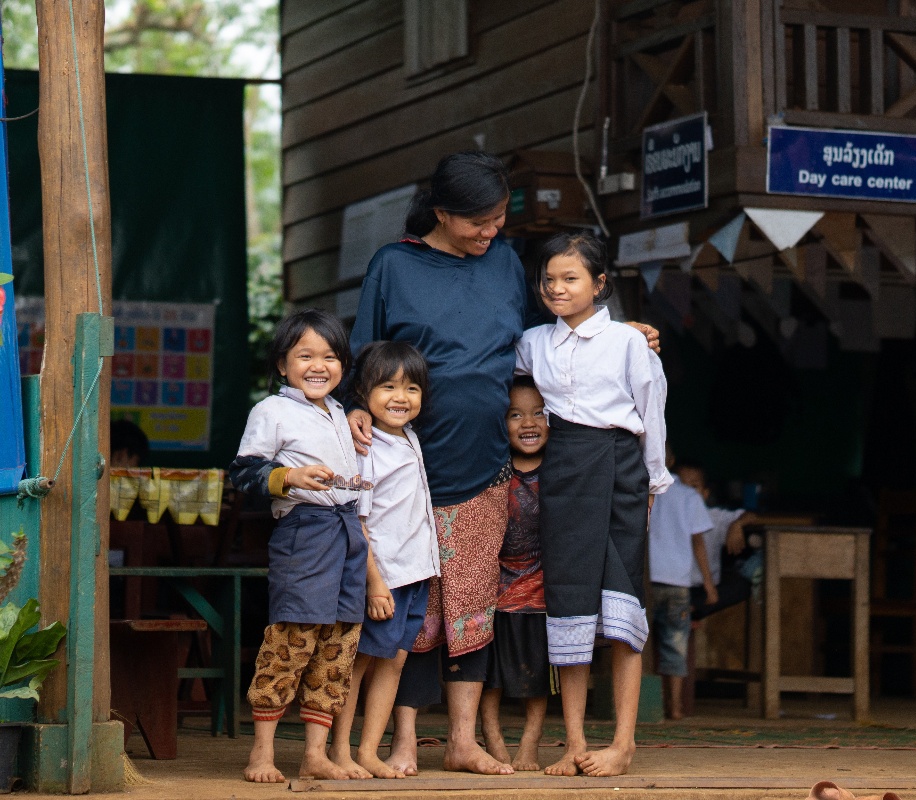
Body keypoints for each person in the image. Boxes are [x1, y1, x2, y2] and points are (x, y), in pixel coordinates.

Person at [345, 150, 658, 776]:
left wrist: (630, 334)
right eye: (478, 222)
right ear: (442, 212)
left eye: (497, 220)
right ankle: (402, 740)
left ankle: (461, 740)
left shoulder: (506, 265)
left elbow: (551, 340)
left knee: (470, 604)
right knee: (414, 606)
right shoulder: (394, 265)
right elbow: (366, 355)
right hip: (407, 465)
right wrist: (355, 407)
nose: (491, 232)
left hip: (486, 464)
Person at [515, 231, 670, 778]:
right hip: (565, 469)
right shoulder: (533, 344)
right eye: (549, 279)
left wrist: (652, 485)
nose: (557, 288)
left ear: (600, 284)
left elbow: (652, 415)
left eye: (570, 278)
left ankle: (623, 743)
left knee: (624, 602)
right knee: (569, 598)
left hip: (621, 467)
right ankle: (576, 741)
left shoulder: (629, 343)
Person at [228, 308, 368, 783]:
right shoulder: (271, 411)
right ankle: (262, 753)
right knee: (291, 638)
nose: (318, 365)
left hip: (347, 531)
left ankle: (314, 754)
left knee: (339, 642)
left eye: (330, 356)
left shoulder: (338, 411)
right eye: (305, 355)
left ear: (343, 366)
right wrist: (290, 477)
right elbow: (243, 472)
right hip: (304, 531)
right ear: (283, 365)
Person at [328, 341, 440, 779]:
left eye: (411, 388)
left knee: (392, 662)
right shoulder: (366, 445)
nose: (401, 397)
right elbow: (359, 520)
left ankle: (369, 750)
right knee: (358, 664)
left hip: (415, 573)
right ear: (362, 391)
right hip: (385, 575)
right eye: (388, 386)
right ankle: (340, 750)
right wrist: (374, 583)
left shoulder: (409, 436)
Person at [480, 376, 555, 771]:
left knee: (536, 670)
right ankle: (490, 733)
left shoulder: (560, 469)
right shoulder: (493, 468)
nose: (529, 423)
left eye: (539, 412)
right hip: (494, 588)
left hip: (541, 591)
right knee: (489, 671)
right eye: (516, 415)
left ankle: (531, 738)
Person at [648, 451, 717, 720]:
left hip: (646, 581)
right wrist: (709, 585)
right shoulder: (688, 496)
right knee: (675, 646)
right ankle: (674, 707)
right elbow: (698, 543)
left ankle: (644, 709)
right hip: (677, 583)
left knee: (637, 647)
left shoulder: (637, 489)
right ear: (673, 460)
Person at [675, 461, 757, 621]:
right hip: (674, 589)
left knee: (741, 585)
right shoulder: (664, 515)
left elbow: (752, 516)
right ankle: (686, 612)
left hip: (704, 592)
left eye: (694, 487)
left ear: (705, 493)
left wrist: (737, 524)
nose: (687, 493)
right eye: (681, 486)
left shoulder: (714, 517)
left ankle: (688, 611)